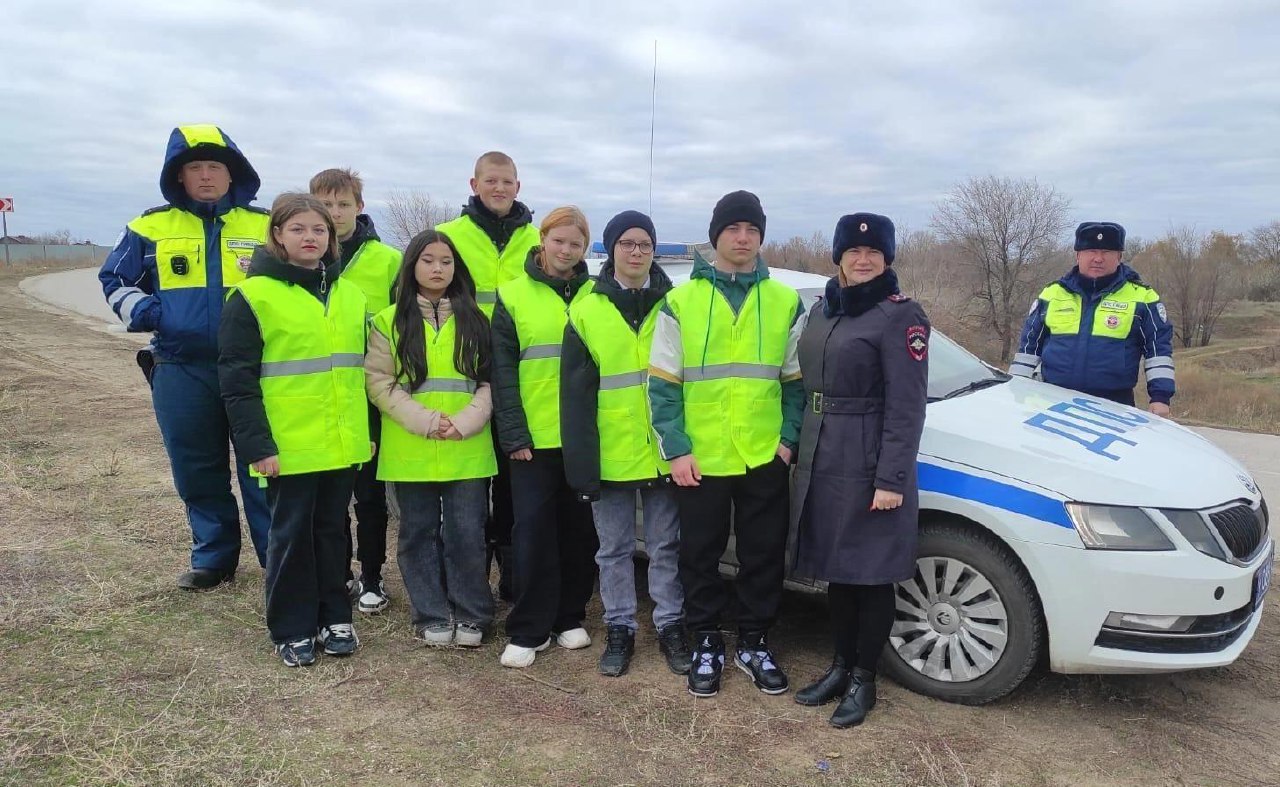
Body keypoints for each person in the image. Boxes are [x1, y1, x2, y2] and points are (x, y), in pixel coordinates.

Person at [98, 124, 271, 590]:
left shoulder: (266, 225)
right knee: (196, 467)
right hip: (180, 367)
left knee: (264, 466)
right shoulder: (147, 226)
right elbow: (114, 280)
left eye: (216, 165)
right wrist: (155, 313)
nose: (207, 175)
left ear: (233, 174)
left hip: (256, 371)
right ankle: (213, 559)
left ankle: (279, 557)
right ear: (179, 176)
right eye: (195, 167)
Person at [647, 191, 805, 697]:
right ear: (716, 236)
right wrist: (676, 447)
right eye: (734, 229)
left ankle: (755, 642)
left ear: (761, 238)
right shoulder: (680, 300)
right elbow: (662, 385)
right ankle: (707, 641)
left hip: (763, 454)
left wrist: (787, 442)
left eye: (752, 231)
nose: (743, 238)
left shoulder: (784, 300)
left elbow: (796, 382)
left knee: (762, 554)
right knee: (700, 555)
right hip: (702, 456)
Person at [218, 193, 372, 667]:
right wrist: (256, 447)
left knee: (331, 532)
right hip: (287, 448)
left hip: (341, 444)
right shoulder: (251, 297)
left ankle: (334, 616)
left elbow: (359, 372)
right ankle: (292, 625)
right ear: (278, 236)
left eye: (320, 230)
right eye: (299, 229)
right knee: (289, 538)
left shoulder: (350, 295)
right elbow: (237, 382)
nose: (311, 238)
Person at [790, 213, 929, 728]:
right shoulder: (824, 310)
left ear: (887, 259)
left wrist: (891, 479)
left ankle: (864, 680)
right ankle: (839, 666)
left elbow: (907, 406)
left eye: (874, 253)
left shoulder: (901, 316)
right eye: (854, 251)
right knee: (839, 573)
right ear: (839, 256)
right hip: (825, 454)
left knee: (870, 577)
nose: (864, 259)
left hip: (870, 458)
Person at [561, 210, 690, 678]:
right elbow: (574, 400)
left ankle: (671, 624)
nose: (636, 252)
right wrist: (582, 466)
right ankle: (619, 628)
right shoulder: (586, 310)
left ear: (654, 251)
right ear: (612, 249)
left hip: (662, 452)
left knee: (665, 547)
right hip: (611, 456)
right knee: (612, 550)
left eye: (645, 244)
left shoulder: (676, 305)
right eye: (627, 243)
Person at [364, 230, 496, 647]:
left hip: (467, 445)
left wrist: (467, 421)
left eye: (446, 261)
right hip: (411, 445)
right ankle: (431, 613)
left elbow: (491, 380)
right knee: (417, 533)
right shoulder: (387, 321)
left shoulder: (478, 319)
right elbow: (379, 382)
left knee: (467, 534)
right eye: (428, 260)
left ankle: (472, 613)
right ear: (412, 267)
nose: (437, 268)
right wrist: (426, 421)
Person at [491, 206, 598, 668]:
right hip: (533, 438)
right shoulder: (512, 295)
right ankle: (529, 627)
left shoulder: (597, 295)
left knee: (579, 533)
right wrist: (513, 431)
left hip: (585, 437)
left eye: (575, 244)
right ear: (543, 239)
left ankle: (569, 616)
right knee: (532, 531)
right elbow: (502, 371)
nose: (566, 250)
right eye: (559, 240)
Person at [438, 152, 541, 601]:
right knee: (470, 493)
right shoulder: (448, 237)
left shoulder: (540, 239)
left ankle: (516, 582)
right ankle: (469, 583)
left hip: (524, 377)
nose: (499, 188)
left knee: (516, 487)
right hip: (464, 376)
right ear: (474, 183)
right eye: (491, 181)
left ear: (518, 186)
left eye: (507, 181)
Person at [310, 167, 402, 614]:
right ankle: (338, 573)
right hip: (320, 394)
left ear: (359, 208)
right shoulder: (301, 259)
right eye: (325, 204)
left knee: (368, 492)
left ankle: (372, 575)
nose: (335, 212)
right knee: (331, 491)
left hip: (368, 392)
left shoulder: (387, 259)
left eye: (343, 204)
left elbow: (405, 323)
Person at [1010, 222, 1174, 415]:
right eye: (1091, 251)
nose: (1098, 258)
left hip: (1113, 405)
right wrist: (1015, 390)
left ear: (1119, 256)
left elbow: (1158, 351)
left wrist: (1160, 397)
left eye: (1106, 252)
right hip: (1051, 399)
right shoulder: (1052, 294)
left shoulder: (1143, 297)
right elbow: (1028, 348)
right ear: (1078, 254)